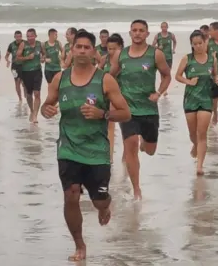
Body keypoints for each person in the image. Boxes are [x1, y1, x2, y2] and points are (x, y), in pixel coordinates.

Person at [41, 29, 131, 262]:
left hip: (96, 151)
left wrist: (102, 113)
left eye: (86, 47)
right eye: (78, 46)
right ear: (71, 50)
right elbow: (47, 105)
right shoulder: (60, 79)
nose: (81, 50)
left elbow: (126, 114)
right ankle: (80, 245)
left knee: (99, 200)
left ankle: (104, 208)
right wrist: (46, 110)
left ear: (94, 52)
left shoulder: (105, 80)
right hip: (68, 147)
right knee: (71, 195)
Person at [109, 19, 171, 200]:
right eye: (134, 30)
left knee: (150, 149)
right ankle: (137, 190)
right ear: (130, 33)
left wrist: (159, 92)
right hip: (127, 110)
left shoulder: (156, 54)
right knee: (131, 145)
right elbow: (109, 77)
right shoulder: (121, 55)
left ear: (147, 33)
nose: (137, 33)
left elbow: (167, 75)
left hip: (149, 110)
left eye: (141, 30)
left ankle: (146, 142)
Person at [174, 30, 218, 175]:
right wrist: (189, 81)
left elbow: (215, 75)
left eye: (200, 43)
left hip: (206, 99)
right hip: (190, 99)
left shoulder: (211, 59)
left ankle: (199, 166)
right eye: (195, 44)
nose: (198, 46)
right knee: (192, 133)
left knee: (202, 133)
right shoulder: (187, 59)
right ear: (192, 45)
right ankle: (195, 145)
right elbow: (177, 76)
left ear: (205, 42)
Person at [103, 33, 124, 160]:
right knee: (110, 125)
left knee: (125, 125)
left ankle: (126, 154)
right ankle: (110, 155)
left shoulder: (125, 60)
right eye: (109, 48)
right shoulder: (104, 59)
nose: (111, 51)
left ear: (120, 47)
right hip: (107, 96)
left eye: (114, 49)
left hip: (123, 95)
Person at [17, 28, 44, 123]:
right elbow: (18, 57)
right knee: (29, 94)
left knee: (37, 93)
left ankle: (35, 115)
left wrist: (43, 59)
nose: (29, 38)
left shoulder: (40, 44)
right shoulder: (23, 44)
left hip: (37, 71)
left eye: (31, 36)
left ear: (35, 36)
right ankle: (32, 111)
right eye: (28, 36)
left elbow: (44, 55)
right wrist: (27, 57)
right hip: (26, 72)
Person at [5, 30, 24, 102]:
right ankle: (20, 98)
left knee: (24, 83)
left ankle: (26, 95)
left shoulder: (25, 43)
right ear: (14, 37)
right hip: (14, 66)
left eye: (20, 36)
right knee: (17, 82)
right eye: (17, 37)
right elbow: (6, 55)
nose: (18, 38)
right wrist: (7, 60)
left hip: (23, 65)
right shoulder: (11, 45)